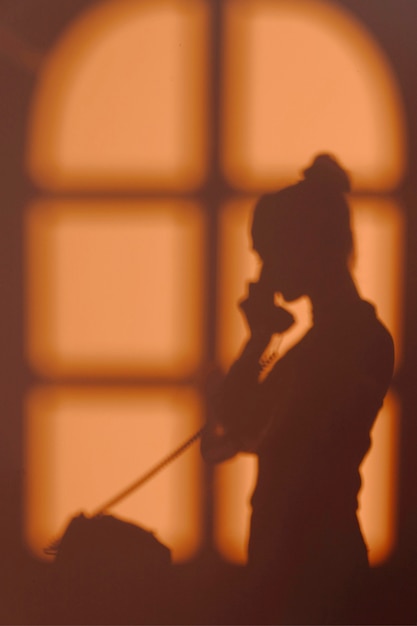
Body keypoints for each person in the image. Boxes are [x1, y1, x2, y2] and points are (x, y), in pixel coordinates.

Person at [201, 154, 394, 624]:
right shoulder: (321, 344)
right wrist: (260, 339)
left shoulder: (355, 339)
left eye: (268, 251)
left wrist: (260, 342)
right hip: (293, 564)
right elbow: (223, 437)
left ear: (306, 246)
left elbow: (244, 429)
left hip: (315, 569)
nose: (264, 267)